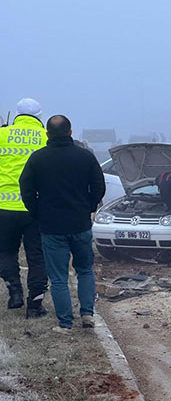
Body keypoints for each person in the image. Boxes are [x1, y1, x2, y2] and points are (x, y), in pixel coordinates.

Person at [20, 115, 105, 331]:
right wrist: (89, 206)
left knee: (58, 278)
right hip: (80, 224)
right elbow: (99, 187)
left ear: (48, 134)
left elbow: (26, 188)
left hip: (51, 227)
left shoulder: (38, 158)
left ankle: (65, 323)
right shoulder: (85, 157)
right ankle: (87, 314)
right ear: (70, 132)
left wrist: (36, 211)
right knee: (85, 270)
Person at [0, 98, 48, 318]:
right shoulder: (46, 137)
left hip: (4, 207)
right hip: (35, 207)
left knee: (6, 251)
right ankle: (35, 305)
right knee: (37, 256)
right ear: (39, 115)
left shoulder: (2, 135)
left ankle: (14, 291)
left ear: (16, 114)